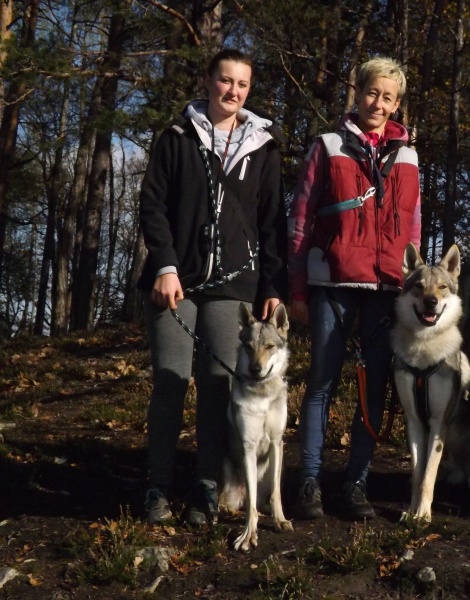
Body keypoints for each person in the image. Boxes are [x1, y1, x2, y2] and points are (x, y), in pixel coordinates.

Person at [138, 48, 287, 526]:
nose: (233, 92)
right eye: (226, 81)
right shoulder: (177, 136)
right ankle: (157, 487)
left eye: (242, 85)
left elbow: (272, 222)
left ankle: (205, 486)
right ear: (208, 80)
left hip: (234, 286)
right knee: (170, 380)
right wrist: (163, 265)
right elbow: (153, 204)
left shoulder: (263, 145)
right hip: (175, 282)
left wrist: (272, 283)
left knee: (219, 385)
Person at [288, 57, 421, 520]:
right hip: (333, 281)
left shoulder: (408, 156)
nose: (377, 103)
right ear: (357, 92)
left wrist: (411, 284)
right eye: (371, 93)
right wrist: (299, 287)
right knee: (321, 382)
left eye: (387, 97)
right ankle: (309, 480)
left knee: (373, 387)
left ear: (397, 104)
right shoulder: (326, 146)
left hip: (387, 288)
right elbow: (301, 219)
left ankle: (356, 483)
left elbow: (414, 229)